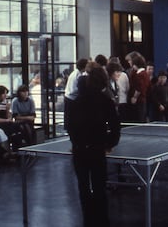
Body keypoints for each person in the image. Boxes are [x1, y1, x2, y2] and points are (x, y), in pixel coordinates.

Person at [68, 66, 121, 227]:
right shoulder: (106, 100)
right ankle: (102, 221)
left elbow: (70, 126)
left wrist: (75, 143)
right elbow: (115, 126)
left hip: (80, 150)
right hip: (97, 149)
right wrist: (110, 144)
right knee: (99, 187)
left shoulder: (76, 101)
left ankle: (88, 221)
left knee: (83, 188)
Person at [0, 85, 23, 151]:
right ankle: (8, 150)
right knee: (9, 130)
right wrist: (6, 120)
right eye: (3, 93)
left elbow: (9, 117)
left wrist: (7, 109)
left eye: (6, 94)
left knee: (18, 127)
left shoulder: (5, 102)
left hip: (6, 122)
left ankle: (18, 149)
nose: (5, 95)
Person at [64, 58, 90, 131]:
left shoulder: (78, 73)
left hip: (71, 97)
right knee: (71, 117)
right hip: (71, 98)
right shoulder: (77, 75)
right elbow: (74, 89)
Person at [127, 53, 150, 123]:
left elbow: (139, 88)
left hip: (140, 101)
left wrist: (134, 97)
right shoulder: (141, 73)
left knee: (140, 119)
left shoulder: (141, 74)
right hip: (141, 100)